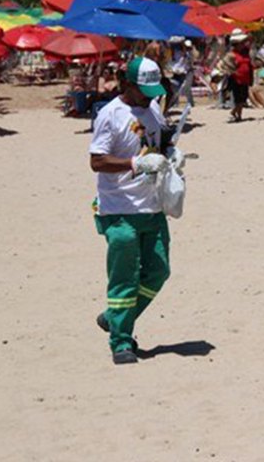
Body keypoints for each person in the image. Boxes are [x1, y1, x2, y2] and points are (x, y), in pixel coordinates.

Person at [89, 56, 173, 365]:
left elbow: (160, 143)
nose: (149, 98)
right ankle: (121, 341)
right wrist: (134, 163)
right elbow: (97, 161)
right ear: (128, 84)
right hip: (119, 208)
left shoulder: (152, 110)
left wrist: (171, 153)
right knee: (123, 277)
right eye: (144, 91)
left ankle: (114, 317)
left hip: (152, 206)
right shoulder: (110, 115)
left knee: (159, 269)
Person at [229, 29, 253, 122]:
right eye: (241, 43)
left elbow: (251, 39)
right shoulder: (232, 54)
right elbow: (228, 67)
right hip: (236, 79)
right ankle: (238, 115)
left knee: (244, 98)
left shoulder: (245, 52)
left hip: (246, 78)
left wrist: (246, 31)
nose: (243, 45)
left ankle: (235, 112)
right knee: (238, 99)